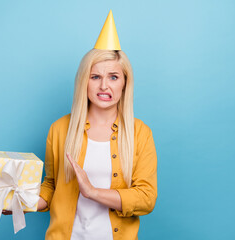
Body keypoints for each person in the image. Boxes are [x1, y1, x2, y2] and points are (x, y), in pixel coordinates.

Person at [36, 11, 157, 240]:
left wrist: (92, 192)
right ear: (84, 81)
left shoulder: (140, 133)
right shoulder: (60, 129)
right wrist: (20, 203)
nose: (104, 86)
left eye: (113, 77)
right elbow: (51, 187)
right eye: (95, 77)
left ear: (124, 83)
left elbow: (146, 198)